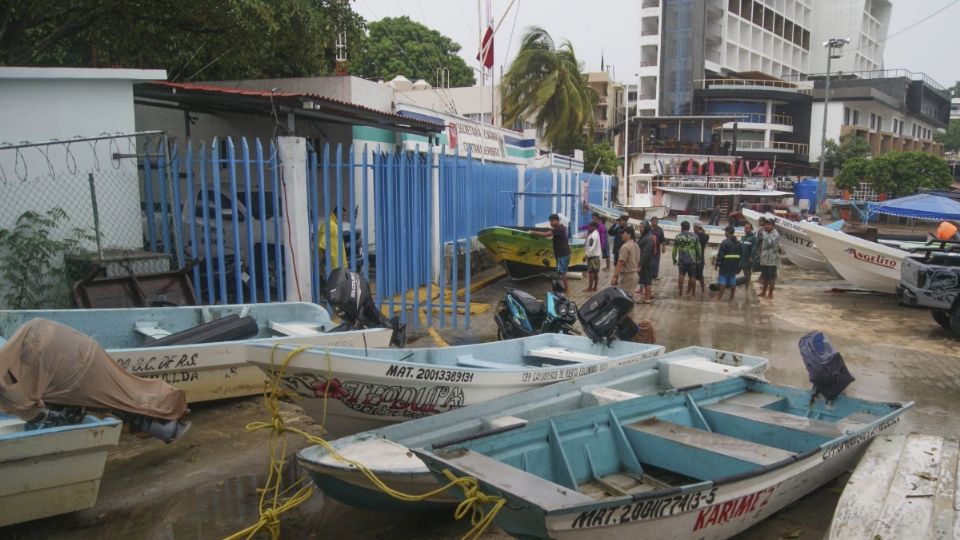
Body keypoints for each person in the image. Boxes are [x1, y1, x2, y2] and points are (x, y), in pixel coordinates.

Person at [532, 213, 571, 292]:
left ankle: (567, 290)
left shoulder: (558, 229)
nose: (551, 223)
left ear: (557, 221)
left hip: (562, 254)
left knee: (562, 272)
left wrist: (533, 232)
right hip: (564, 253)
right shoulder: (561, 228)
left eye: (552, 221)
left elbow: (546, 234)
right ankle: (564, 288)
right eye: (550, 221)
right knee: (561, 272)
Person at [672, 221, 702, 298]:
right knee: (692, 277)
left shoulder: (678, 236)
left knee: (681, 276)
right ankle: (693, 293)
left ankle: (680, 293)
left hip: (682, 259)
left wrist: (674, 259)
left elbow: (674, 249)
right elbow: (699, 248)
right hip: (692, 259)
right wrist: (699, 257)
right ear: (689, 228)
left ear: (682, 227)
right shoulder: (695, 236)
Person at [611, 226, 640, 299]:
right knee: (630, 298)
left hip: (627, 276)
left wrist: (615, 276)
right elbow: (638, 261)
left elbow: (621, 262)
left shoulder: (625, 247)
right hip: (634, 275)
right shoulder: (636, 245)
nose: (622, 235)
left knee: (624, 299)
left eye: (624, 233)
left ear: (629, 234)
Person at [714, 226, 741, 302]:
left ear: (728, 232)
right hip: (734, 264)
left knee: (723, 281)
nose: (725, 233)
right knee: (732, 280)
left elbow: (720, 255)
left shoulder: (725, 242)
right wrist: (739, 266)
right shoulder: (738, 242)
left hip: (725, 264)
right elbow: (741, 254)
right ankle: (732, 297)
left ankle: (719, 298)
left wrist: (717, 264)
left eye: (725, 231)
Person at [757, 218, 782, 300]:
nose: (766, 226)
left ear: (773, 226)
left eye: (769, 224)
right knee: (765, 278)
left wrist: (764, 233)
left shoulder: (775, 234)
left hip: (772, 260)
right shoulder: (766, 233)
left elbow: (769, 243)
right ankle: (764, 292)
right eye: (766, 224)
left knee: (771, 278)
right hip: (764, 260)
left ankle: (770, 294)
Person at [318, 207, 346, 273]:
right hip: (332, 265)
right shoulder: (329, 225)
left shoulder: (334, 224)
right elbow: (322, 245)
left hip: (336, 264)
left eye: (345, 215)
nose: (344, 218)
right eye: (343, 215)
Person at [636, 222, 656, 304]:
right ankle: (649, 295)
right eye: (639, 227)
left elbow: (646, 253)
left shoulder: (648, 238)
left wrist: (640, 264)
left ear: (646, 228)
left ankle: (647, 298)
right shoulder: (645, 236)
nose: (639, 229)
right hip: (646, 261)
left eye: (641, 227)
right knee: (645, 279)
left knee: (647, 280)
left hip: (646, 262)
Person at [693, 223, 710, 296]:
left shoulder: (693, 236)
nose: (693, 228)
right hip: (701, 257)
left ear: (696, 227)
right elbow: (705, 235)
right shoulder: (706, 236)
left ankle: (690, 291)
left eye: (694, 227)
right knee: (700, 275)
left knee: (692, 275)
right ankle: (702, 289)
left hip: (693, 256)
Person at [584, 221, 601, 292]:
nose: (589, 228)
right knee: (595, 272)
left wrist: (586, 255)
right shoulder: (595, 234)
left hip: (592, 256)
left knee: (591, 272)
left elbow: (592, 246)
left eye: (590, 227)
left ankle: (590, 288)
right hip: (596, 256)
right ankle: (595, 287)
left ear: (594, 227)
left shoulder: (593, 236)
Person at [740, 222, 757, 289]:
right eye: (744, 228)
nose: (745, 229)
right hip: (742, 258)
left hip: (748, 258)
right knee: (742, 271)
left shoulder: (753, 238)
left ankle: (747, 285)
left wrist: (751, 257)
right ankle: (746, 283)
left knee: (747, 272)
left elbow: (754, 248)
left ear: (751, 229)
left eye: (747, 228)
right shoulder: (743, 237)